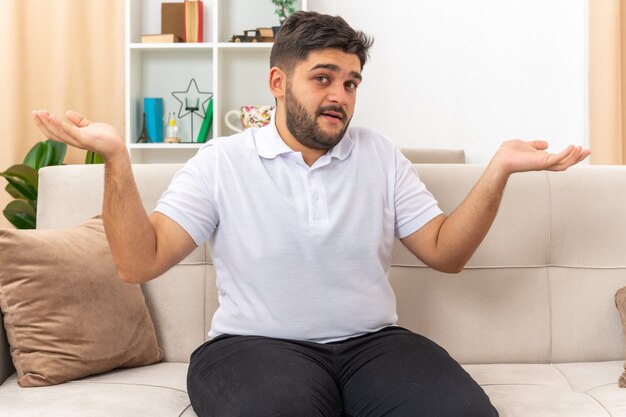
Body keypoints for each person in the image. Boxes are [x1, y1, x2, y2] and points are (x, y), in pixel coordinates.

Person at [32, 11, 589, 417]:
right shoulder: (221, 162)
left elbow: (446, 253)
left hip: (373, 344)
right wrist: (115, 158)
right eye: (323, 77)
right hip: (252, 348)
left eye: (350, 83)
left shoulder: (379, 154)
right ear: (278, 83)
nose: (340, 95)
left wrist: (499, 170)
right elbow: (138, 261)